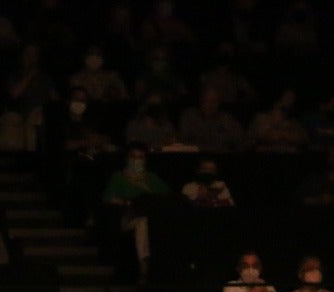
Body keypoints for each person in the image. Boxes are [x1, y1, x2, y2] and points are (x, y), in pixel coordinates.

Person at [101, 143, 171, 282]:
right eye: (133, 156)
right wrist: (127, 202)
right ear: (127, 158)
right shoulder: (119, 176)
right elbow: (108, 198)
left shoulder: (152, 178)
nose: (136, 160)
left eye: (140, 157)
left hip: (155, 218)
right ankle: (144, 266)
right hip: (130, 217)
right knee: (142, 223)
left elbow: (167, 196)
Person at [178, 88, 247, 153]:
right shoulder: (189, 117)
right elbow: (183, 141)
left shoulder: (227, 119)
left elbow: (241, 141)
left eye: (214, 101)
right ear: (201, 101)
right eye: (207, 101)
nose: (211, 105)